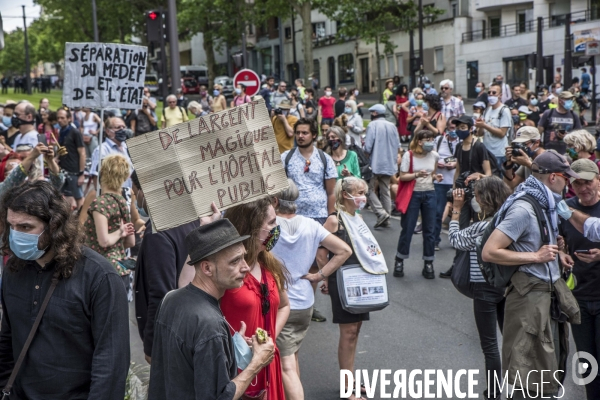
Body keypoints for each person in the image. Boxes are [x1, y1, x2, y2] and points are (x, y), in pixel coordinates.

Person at [0, 180, 130, 398]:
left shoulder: (99, 277)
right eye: (11, 226)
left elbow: (110, 363)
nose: (16, 235)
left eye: (25, 227)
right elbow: (7, 340)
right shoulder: (14, 270)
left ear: (53, 225)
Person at [481, 151, 580, 399]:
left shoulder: (546, 202)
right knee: (526, 373)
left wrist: (557, 253)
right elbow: (490, 251)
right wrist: (535, 257)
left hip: (545, 296)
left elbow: (534, 243)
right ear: (554, 177)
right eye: (567, 178)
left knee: (548, 369)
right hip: (528, 299)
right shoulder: (524, 207)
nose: (569, 184)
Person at [148, 219, 276, 399]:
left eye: (244, 257)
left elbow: (183, 362)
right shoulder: (210, 325)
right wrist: (256, 362)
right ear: (207, 268)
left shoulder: (170, 299)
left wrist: (228, 347)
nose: (245, 267)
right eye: (235, 261)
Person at [271, 180, 351, 400]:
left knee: (285, 364)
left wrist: (320, 274)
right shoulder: (311, 224)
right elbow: (344, 250)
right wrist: (319, 275)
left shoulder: (269, 226)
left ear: (275, 200)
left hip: (281, 303)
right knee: (292, 353)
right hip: (305, 301)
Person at [317, 176, 388, 400]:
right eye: (358, 192)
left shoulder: (355, 217)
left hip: (361, 282)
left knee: (355, 332)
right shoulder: (334, 220)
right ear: (345, 194)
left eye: (364, 192)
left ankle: (350, 378)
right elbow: (321, 254)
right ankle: (347, 386)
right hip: (343, 282)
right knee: (347, 333)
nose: (363, 197)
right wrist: (326, 279)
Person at [448, 176, 512, 400]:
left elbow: (455, 240)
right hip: (508, 287)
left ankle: (494, 393)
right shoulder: (509, 222)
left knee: (490, 346)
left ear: (485, 199)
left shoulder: (482, 227)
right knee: (511, 341)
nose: (474, 200)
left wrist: (456, 210)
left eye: (475, 196)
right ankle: (519, 388)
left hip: (484, 287)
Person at [219, 199, 290, 399]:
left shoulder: (269, 264)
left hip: (268, 364)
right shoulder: (226, 271)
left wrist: (268, 340)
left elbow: (284, 306)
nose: (277, 228)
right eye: (271, 223)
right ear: (251, 228)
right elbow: (187, 289)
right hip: (238, 367)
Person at [133, 171, 201, 362]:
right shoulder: (190, 220)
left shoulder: (158, 233)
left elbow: (162, 294)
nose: (136, 199)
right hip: (189, 325)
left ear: (145, 192)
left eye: (135, 192)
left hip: (171, 335)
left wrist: (152, 346)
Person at [282, 118, 337, 323]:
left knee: (313, 264)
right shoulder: (285, 158)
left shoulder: (324, 159)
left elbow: (331, 192)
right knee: (289, 261)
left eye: (305, 133)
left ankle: (308, 305)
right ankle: (286, 303)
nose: (300, 136)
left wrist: (331, 215)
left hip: (318, 216)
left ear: (314, 135)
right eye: (298, 133)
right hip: (291, 216)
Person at [555, 159, 600, 399]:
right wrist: (561, 252)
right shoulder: (565, 208)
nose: (584, 187)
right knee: (588, 361)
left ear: (598, 178)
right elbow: (556, 241)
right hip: (578, 298)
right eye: (578, 183)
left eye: (588, 181)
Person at [394, 129, 441, 279]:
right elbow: (402, 177)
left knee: (429, 230)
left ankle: (428, 263)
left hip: (430, 193)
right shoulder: (409, 155)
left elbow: (432, 173)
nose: (430, 142)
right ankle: (399, 260)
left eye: (432, 139)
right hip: (413, 194)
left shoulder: (434, 155)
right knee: (407, 228)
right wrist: (416, 175)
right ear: (419, 141)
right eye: (427, 139)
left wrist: (435, 177)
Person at [82, 154, 135, 283]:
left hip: (102, 270)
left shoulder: (101, 202)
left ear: (103, 173)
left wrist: (118, 233)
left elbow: (103, 241)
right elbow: (131, 242)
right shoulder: (122, 201)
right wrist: (117, 243)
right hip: (121, 268)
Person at [364, 104, 400, 228]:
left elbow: (368, 147)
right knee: (385, 190)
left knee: (367, 189)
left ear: (374, 113)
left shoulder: (372, 125)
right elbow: (398, 145)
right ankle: (387, 217)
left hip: (375, 163)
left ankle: (381, 213)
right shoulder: (392, 126)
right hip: (389, 163)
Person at [433, 124, 459, 250]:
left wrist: (455, 165)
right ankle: (435, 240)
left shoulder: (463, 142)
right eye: (451, 127)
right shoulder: (438, 140)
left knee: (460, 212)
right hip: (440, 182)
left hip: (456, 181)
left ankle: (459, 240)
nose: (453, 130)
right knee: (438, 212)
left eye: (456, 127)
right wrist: (437, 164)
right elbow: (431, 156)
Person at [56, 109, 86, 209]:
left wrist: (81, 173)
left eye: (62, 118)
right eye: (58, 118)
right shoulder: (61, 131)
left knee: (78, 197)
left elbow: (82, 153)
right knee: (60, 195)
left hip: (74, 171)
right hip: (63, 169)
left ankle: (82, 220)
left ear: (69, 119)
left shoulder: (75, 132)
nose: (59, 120)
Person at [476, 82, 512, 166]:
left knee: (498, 178)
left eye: (494, 93)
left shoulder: (504, 110)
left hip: (499, 153)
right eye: (489, 92)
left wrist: (484, 125)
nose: (491, 94)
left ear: (500, 95)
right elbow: (480, 133)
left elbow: (502, 133)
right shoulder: (487, 110)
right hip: (486, 152)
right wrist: (480, 126)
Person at [538, 90, 582, 155]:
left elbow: (579, 135)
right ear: (560, 101)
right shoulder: (548, 113)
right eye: (567, 99)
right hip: (549, 153)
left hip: (568, 153)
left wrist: (567, 136)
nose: (570, 101)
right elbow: (538, 132)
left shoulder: (574, 115)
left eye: (571, 99)